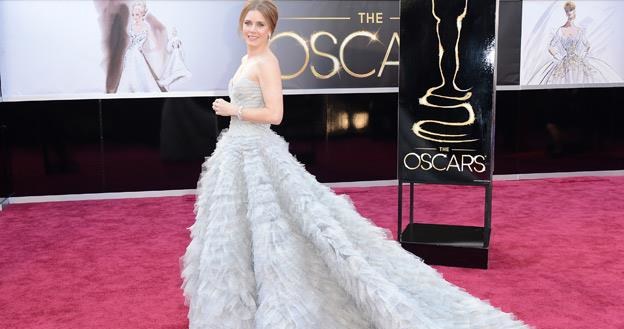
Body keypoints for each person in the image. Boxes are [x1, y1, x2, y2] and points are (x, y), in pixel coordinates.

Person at [179, 1, 531, 328]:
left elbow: (275, 114)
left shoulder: (265, 62)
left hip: (255, 148)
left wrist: (233, 110)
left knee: (278, 226)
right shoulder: (246, 61)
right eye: (248, 23)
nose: (252, 29)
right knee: (238, 228)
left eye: (259, 24)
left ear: (271, 29)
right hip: (236, 151)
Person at [527, 1, 620, 85]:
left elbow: (587, 45)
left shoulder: (579, 31)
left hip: (579, 62)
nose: (569, 12)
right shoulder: (560, 30)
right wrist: (559, 57)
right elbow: (550, 47)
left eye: (571, 10)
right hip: (564, 62)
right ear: (565, 13)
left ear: (574, 11)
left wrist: (582, 56)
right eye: (567, 11)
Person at [116, 1, 165, 93]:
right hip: (130, 53)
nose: (135, 17)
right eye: (133, 15)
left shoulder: (146, 27)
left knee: (141, 74)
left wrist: (146, 49)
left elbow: (153, 42)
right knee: (128, 73)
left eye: (137, 14)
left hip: (138, 54)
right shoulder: (131, 26)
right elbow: (128, 41)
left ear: (142, 15)